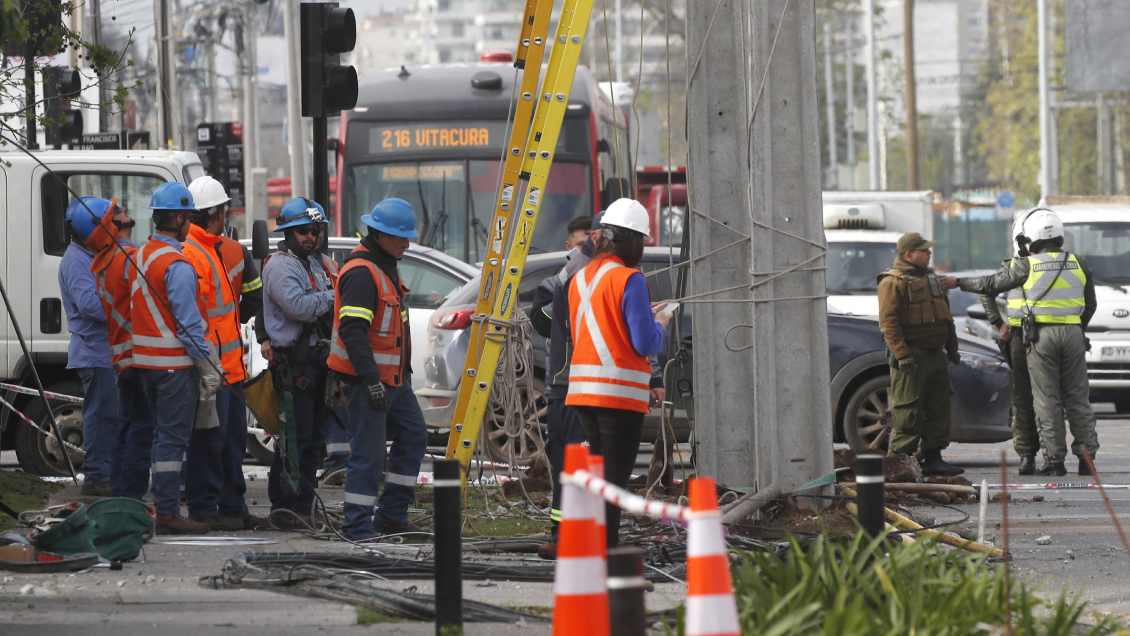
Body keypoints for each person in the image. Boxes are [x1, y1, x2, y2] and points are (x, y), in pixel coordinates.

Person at [957, 208, 1099, 476]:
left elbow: (987, 286)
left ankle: (1053, 461)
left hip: (1036, 337)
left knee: (1043, 400)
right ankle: (1049, 456)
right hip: (1050, 336)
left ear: (1026, 239)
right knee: (1057, 399)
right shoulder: (1077, 262)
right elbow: (1089, 305)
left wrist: (957, 282)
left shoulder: (1023, 266)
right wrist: (1000, 325)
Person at [565, 199, 671, 548]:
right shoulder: (631, 279)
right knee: (613, 479)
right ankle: (605, 549)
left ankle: (594, 543)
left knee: (599, 475)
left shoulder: (579, 278)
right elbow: (644, 342)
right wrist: (660, 324)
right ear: (633, 242)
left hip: (583, 393)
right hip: (618, 395)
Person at [327, 198, 428, 541]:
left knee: (414, 435)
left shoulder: (384, 264)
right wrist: (371, 383)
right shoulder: (361, 273)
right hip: (367, 382)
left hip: (393, 381)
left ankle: (392, 515)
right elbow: (353, 332)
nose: (407, 243)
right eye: (401, 237)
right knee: (368, 455)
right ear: (381, 235)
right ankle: (356, 527)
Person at [126, 182, 222, 534]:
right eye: (189, 218)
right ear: (180, 218)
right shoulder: (177, 265)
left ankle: (160, 507)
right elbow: (187, 323)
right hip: (175, 366)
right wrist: (208, 366)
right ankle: (166, 512)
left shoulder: (142, 254)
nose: (190, 225)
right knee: (173, 440)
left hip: (147, 363)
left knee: (159, 437)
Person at [181, 176, 265, 531]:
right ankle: (205, 508)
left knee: (229, 443)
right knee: (210, 443)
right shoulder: (194, 253)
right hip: (209, 367)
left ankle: (232, 507)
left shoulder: (212, 250)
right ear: (216, 213)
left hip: (226, 366)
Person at [261, 197, 336, 527]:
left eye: (316, 230)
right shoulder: (280, 266)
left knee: (313, 442)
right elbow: (299, 307)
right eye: (304, 231)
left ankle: (304, 506)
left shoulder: (315, 264)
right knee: (295, 440)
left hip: (317, 363)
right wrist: (335, 296)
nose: (312, 237)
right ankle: (284, 506)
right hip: (295, 367)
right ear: (288, 233)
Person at [84, 196, 157, 499]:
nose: (125, 211)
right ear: (111, 226)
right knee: (141, 430)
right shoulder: (130, 258)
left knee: (127, 428)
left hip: (123, 356)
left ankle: (120, 492)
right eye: (118, 212)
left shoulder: (107, 260)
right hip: (139, 355)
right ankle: (130, 498)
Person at [876, 232, 964, 477]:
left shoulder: (932, 280)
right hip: (912, 359)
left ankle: (933, 459)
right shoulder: (892, 282)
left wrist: (953, 350)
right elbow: (889, 324)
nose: (929, 253)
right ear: (909, 254)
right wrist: (903, 356)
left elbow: (947, 319)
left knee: (938, 411)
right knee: (908, 412)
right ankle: (897, 465)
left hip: (936, 357)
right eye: (924, 250)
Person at [58, 197, 119, 497]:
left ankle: (106, 473)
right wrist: (126, 301)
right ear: (92, 229)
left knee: (110, 415)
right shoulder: (76, 260)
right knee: (101, 415)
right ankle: (96, 477)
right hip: (95, 353)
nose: (114, 228)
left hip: (104, 351)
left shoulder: (90, 254)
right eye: (108, 224)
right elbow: (90, 305)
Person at [978, 215, 1040, 475]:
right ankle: (1027, 454)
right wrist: (998, 323)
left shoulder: (1056, 264)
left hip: (1050, 336)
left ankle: (1054, 457)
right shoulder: (1011, 267)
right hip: (1019, 338)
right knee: (1022, 400)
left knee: (1051, 400)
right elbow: (986, 290)